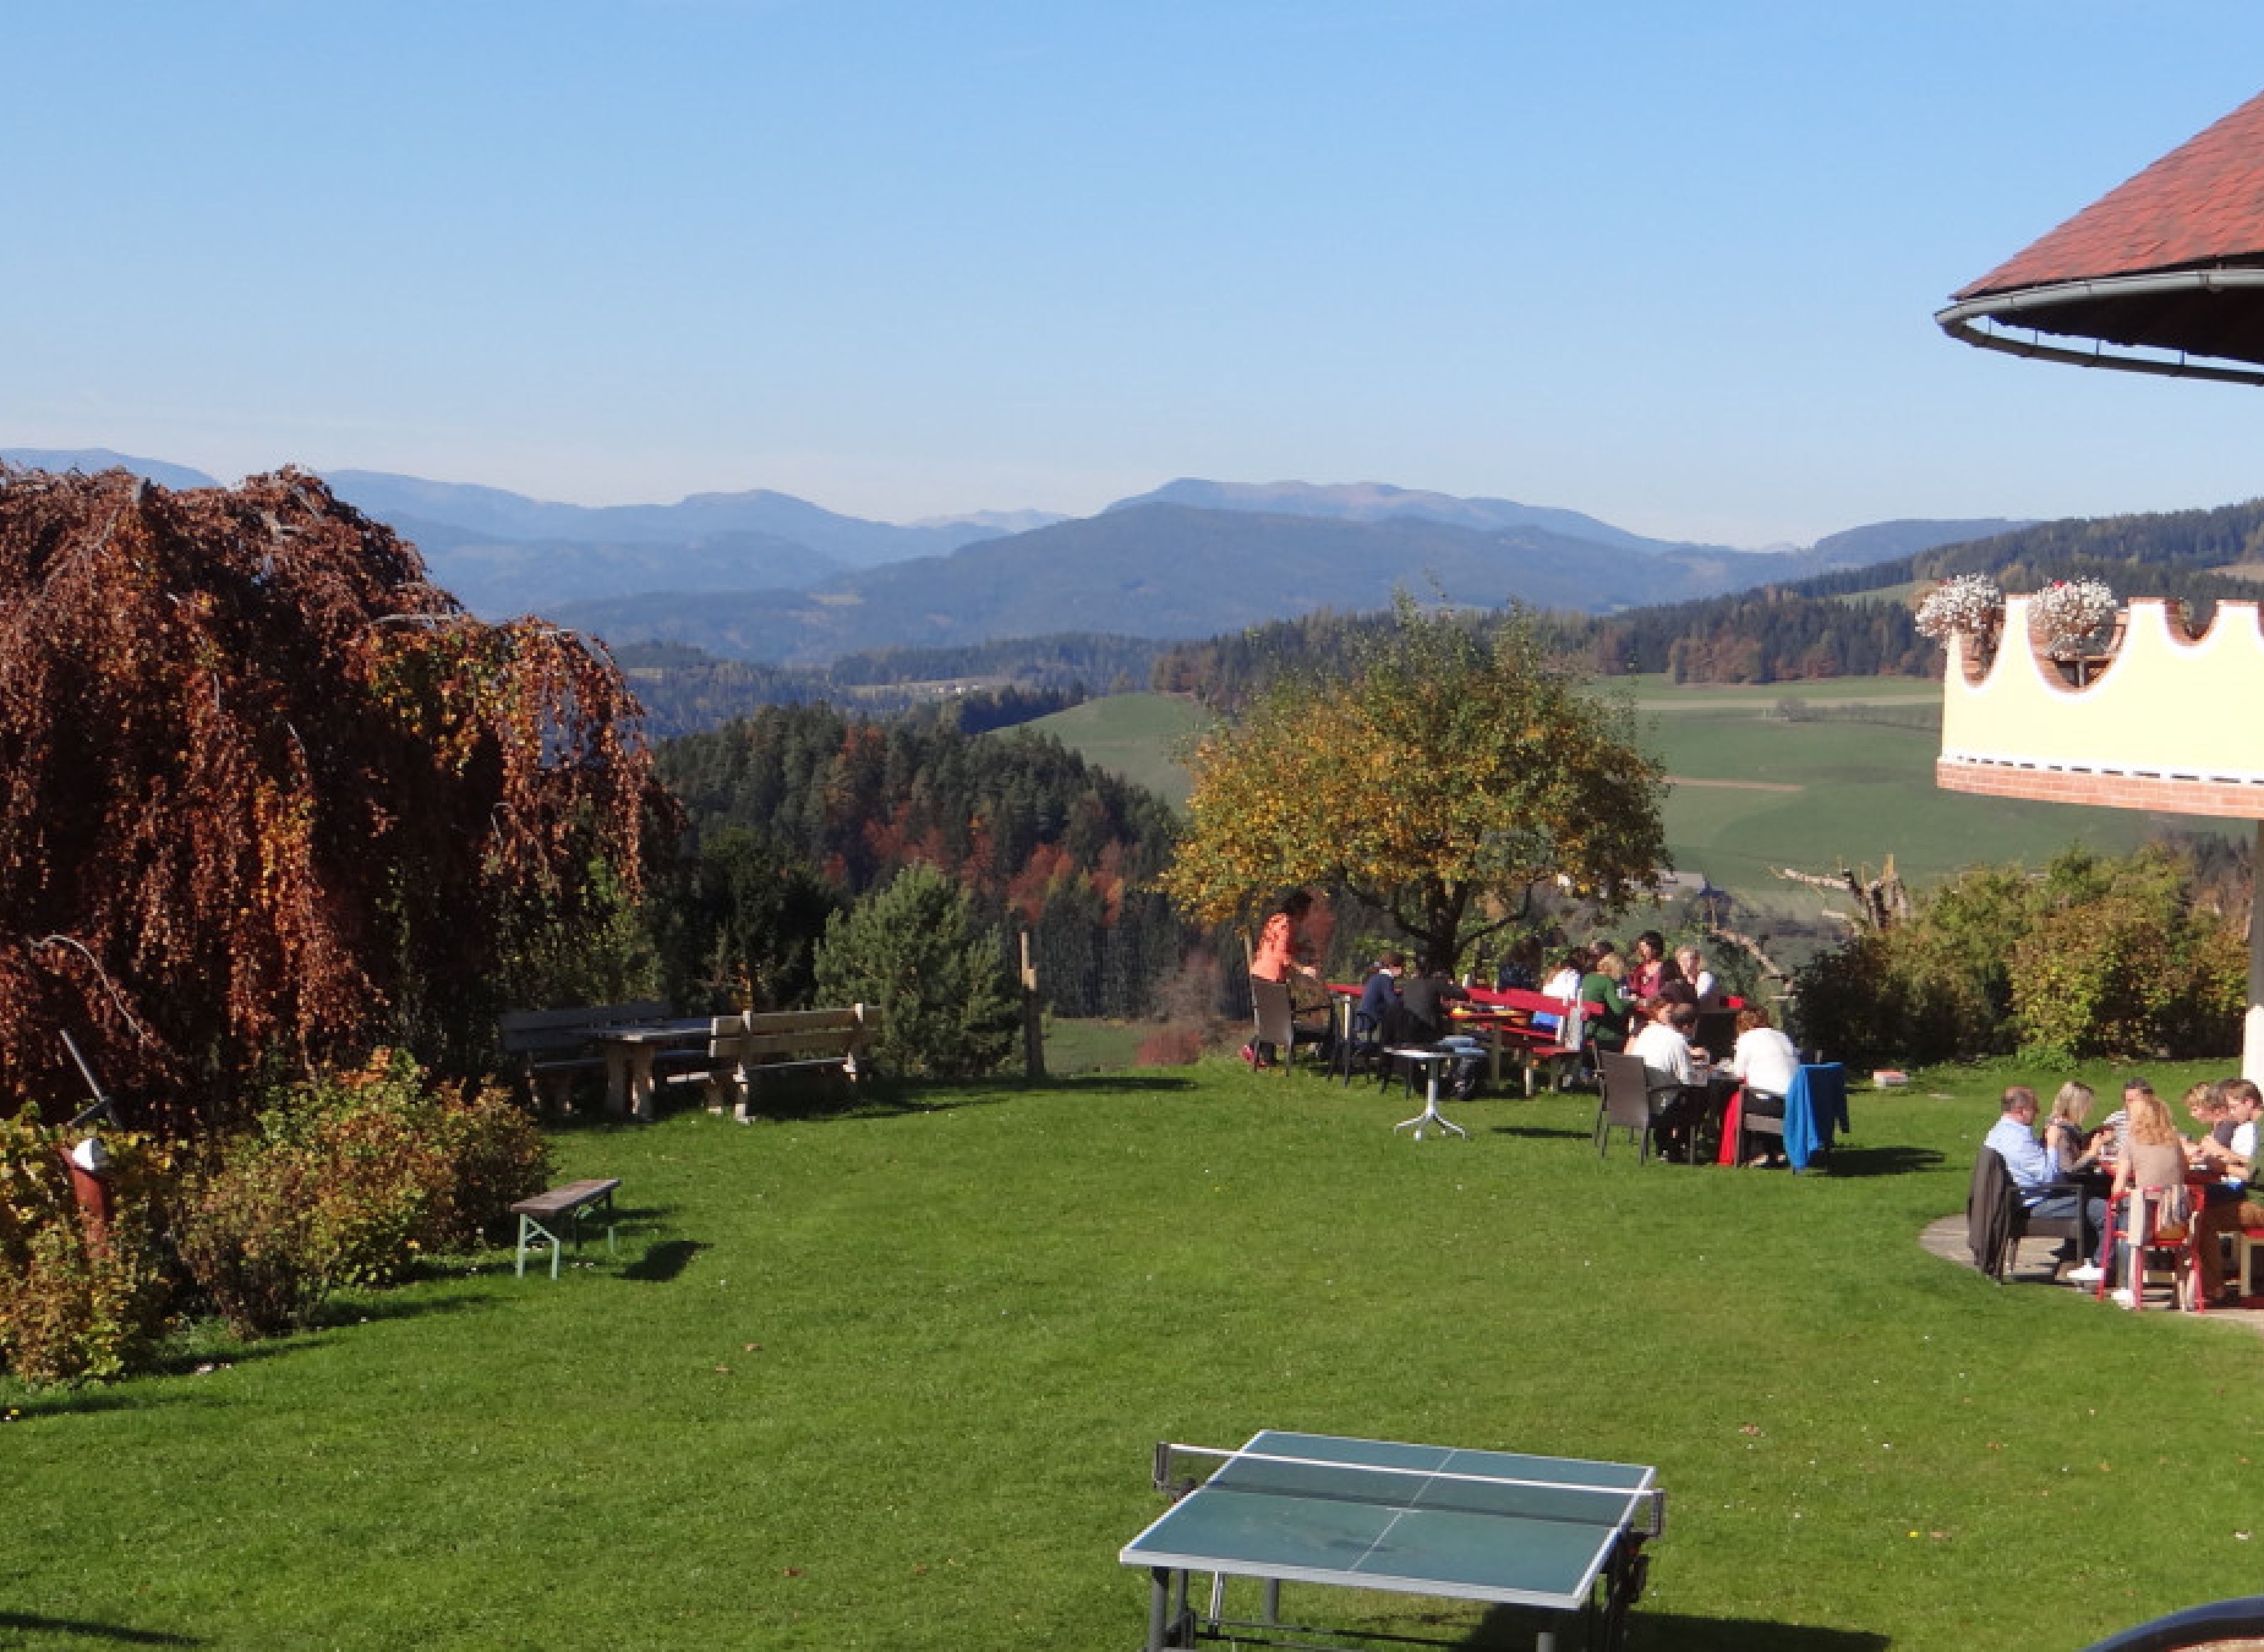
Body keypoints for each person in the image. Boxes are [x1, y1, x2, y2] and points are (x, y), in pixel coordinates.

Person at [2111, 1081, 2231, 1306]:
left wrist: (2118, 1197)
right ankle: (2185, 1295)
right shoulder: (2175, 1141)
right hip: (2176, 1220)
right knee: (2184, 1242)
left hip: (2146, 1222)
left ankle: (2129, 1287)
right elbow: (2184, 1171)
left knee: (2123, 1216)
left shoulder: (2132, 1142)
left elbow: (2118, 1184)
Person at [1984, 1085, 2106, 1283]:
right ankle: (2100, 1268)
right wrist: (2051, 1145)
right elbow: (2051, 1178)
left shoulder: (2003, 1131)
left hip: (2028, 1197)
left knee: (2093, 1197)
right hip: (2033, 1204)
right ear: (2021, 1111)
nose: (2039, 1113)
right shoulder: (2017, 1141)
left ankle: (2071, 1260)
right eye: (2035, 1109)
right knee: (2103, 1209)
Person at [1245, 890, 1324, 1066]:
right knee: (1280, 1015)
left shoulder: (1275, 920)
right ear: (1299, 909)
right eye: (1306, 910)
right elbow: (1282, 955)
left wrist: (1300, 947)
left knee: (1271, 1015)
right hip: (1271, 975)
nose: (1307, 915)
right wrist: (1303, 969)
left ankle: (1265, 1056)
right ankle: (1254, 1049)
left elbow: (1278, 947)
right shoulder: (1286, 924)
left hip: (1260, 972)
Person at [1630, 1000, 1712, 1159]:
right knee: (1699, 1098)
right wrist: (1706, 1071)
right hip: (1659, 1101)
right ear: (1688, 1026)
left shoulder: (1649, 1031)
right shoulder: (1679, 1041)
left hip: (1638, 1096)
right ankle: (1677, 1146)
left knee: (1679, 1092)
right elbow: (1687, 1079)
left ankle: (1665, 1146)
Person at [2044, 1082, 2104, 1181]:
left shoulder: (2067, 1125)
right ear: (2077, 1106)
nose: (2090, 1110)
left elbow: (2074, 1148)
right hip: (2069, 1188)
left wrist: (2093, 1135)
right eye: (2088, 1106)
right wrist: (2092, 1153)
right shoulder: (2060, 1133)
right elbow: (2068, 1172)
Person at [1578, 949, 1634, 1052]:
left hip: (1588, 1030)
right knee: (1632, 1039)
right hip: (1605, 1034)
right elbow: (1618, 1009)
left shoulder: (1588, 977)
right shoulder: (1607, 981)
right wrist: (1632, 1002)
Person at [1356, 950, 1404, 1042]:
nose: (1403, 970)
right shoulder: (1385, 979)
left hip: (1364, 1022)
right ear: (1392, 966)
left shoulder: (1378, 977)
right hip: (1371, 1025)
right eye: (1401, 966)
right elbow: (1393, 1002)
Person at [1675, 945, 1724, 1011]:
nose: (1683, 964)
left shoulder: (1705, 977)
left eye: (1687, 960)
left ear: (1697, 961)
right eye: (1681, 960)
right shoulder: (1681, 983)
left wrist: (1738, 1003)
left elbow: (1702, 1000)